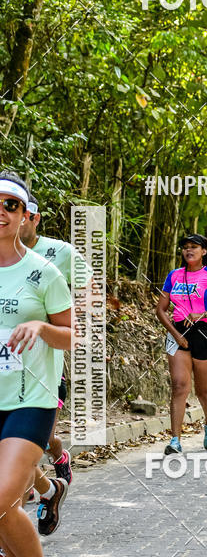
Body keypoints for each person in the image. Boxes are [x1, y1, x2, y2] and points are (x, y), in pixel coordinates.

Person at [0, 173, 72, 557]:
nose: (1, 211)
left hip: (31, 397)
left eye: (11, 205)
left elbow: (70, 334)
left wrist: (41, 330)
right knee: (5, 509)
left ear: (24, 216)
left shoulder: (44, 272)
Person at [19, 192, 93, 537]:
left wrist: (60, 323)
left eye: (19, 210)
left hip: (41, 364)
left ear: (33, 217)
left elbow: (88, 292)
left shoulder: (59, 254)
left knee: (30, 444)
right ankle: (46, 490)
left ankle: (11, 529)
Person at [156, 234, 207, 455]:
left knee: (203, 390)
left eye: (194, 247)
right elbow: (160, 309)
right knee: (179, 387)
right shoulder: (173, 276)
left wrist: (204, 313)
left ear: (203, 251)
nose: (188, 250)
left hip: (205, 333)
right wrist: (175, 334)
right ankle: (175, 440)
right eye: (184, 247)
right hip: (178, 332)